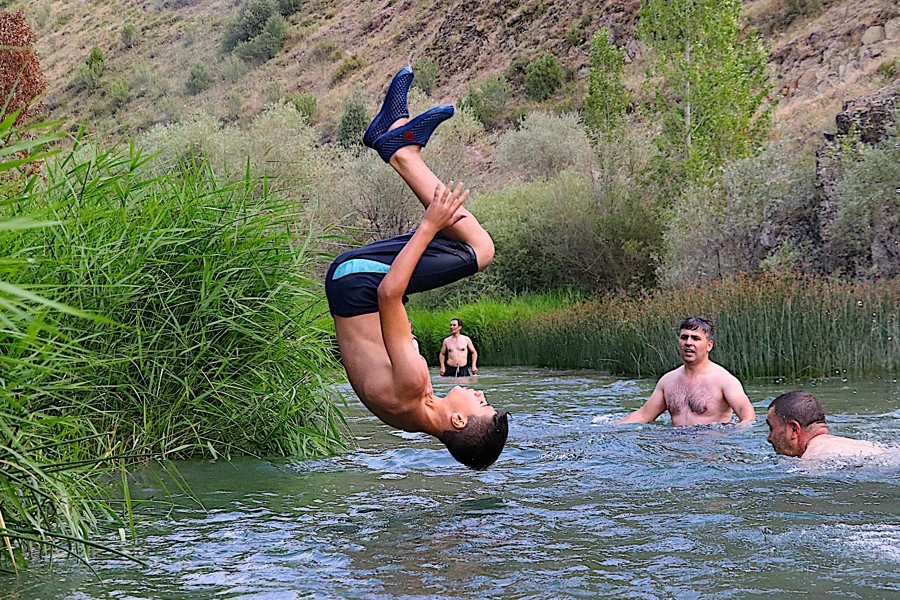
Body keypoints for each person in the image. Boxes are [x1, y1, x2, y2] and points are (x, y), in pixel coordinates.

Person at [325, 66, 509, 470]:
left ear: (459, 420)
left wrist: (429, 226)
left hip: (358, 281)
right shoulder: (410, 414)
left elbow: (388, 293)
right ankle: (395, 142)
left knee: (481, 248)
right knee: (470, 242)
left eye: (482, 404)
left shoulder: (414, 388)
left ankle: (401, 150)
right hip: (350, 286)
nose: (481, 396)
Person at [616, 316, 756, 426]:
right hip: (676, 448)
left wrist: (740, 429)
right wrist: (611, 428)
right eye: (684, 337)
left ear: (709, 345)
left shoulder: (724, 380)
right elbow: (643, 415)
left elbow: (747, 415)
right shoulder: (668, 381)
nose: (688, 343)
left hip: (710, 449)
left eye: (695, 338)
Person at [766, 390, 885, 459]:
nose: (769, 438)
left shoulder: (814, 457)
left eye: (772, 428)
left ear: (794, 429)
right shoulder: (869, 446)